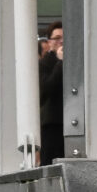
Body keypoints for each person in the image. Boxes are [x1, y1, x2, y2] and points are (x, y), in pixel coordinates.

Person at [37, 25, 67, 160]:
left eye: (63, 38)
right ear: (49, 42)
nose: (61, 41)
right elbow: (47, 88)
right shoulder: (44, 64)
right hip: (52, 124)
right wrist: (60, 62)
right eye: (57, 38)